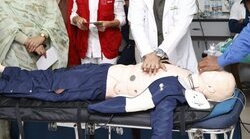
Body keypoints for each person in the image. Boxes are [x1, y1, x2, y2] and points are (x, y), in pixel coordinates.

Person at [0, 62, 236, 139]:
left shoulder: (181, 81)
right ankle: (4, 75)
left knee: (47, 82)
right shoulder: (182, 81)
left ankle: (4, 73)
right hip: (98, 79)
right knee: (46, 84)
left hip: (99, 78)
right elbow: (162, 121)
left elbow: (162, 117)